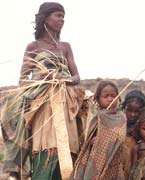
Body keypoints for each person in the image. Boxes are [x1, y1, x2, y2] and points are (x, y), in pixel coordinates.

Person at [1, 2, 87, 180]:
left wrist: (61, 79)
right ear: (45, 18)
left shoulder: (65, 46)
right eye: (58, 15)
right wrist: (43, 79)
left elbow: (76, 76)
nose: (62, 20)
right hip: (41, 101)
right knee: (44, 143)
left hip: (65, 98)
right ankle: (16, 169)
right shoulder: (33, 46)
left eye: (63, 16)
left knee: (69, 143)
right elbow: (23, 80)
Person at [70, 80, 129, 180]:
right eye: (106, 96)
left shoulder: (122, 117)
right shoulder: (99, 117)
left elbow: (121, 137)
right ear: (97, 99)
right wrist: (96, 141)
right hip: (97, 160)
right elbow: (89, 140)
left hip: (115, 159)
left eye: (113, 96)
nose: (110, 99)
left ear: (118, 97)